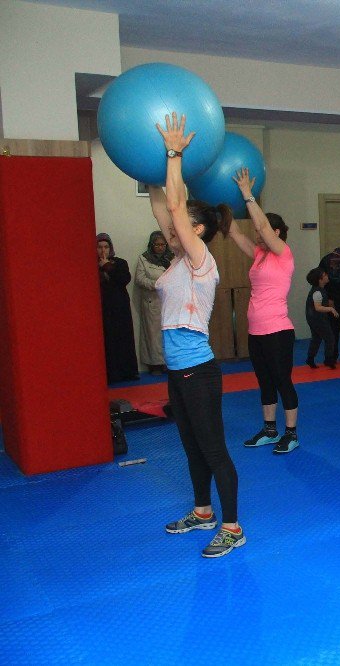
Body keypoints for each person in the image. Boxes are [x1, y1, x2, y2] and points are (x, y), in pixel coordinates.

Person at [151, 111, 244, 558]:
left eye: (182, 224)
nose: (172, 228)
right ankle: (203, 511)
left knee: (213, 449)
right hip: (177, 372)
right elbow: (161, 202)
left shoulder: (201, 259)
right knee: (191, 447)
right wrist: (152, 167)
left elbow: (173, 207)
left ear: (198, 229)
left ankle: (232, 526)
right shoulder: (174, 263)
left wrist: (174, 154)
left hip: (199, 372)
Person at [223, 169, 300, 454]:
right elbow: (232, 231)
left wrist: (247, 195)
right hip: (256, 331)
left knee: (282, 381)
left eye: (262, 231)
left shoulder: (283, 253)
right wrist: (222, 203)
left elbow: (264, 228)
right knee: (264, 382)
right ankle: (270, 429)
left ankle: (291, 434)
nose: (256, 234)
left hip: (278, 331)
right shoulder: (259, 255)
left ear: (276, 232)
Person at [97, 233, 139, 382]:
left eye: (106, 247)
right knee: (107, 340)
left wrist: (107, 266)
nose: (103, 251)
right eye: (100, 247)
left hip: (119, 307)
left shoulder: (120, 263)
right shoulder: (91, 264)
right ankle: (110, 374)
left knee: (123, 338)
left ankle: (127, 372)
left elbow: (124, 279)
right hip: (103, 308)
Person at [135, 231, 172, 374]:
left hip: (169, 302)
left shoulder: (172, 258)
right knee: (152, 336)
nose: (160, 247)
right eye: (157, 244)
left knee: (168, 334)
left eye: (163, 244)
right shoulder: (144, 259)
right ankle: (155, 364)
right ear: (152, 245)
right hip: (152, 301)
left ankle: (168, 363)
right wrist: (156, 284)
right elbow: (140, 279)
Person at [305, 268, 339, 369]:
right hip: (317, 319)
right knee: (330, 338)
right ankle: (328, 360)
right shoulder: (317, 292)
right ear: (320, 280)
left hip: (313, 318)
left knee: (316, 338)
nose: (327, 275)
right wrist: (331, 309)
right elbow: (318, 307)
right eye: (325, 274)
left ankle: (310, 359)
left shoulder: (320, 290)